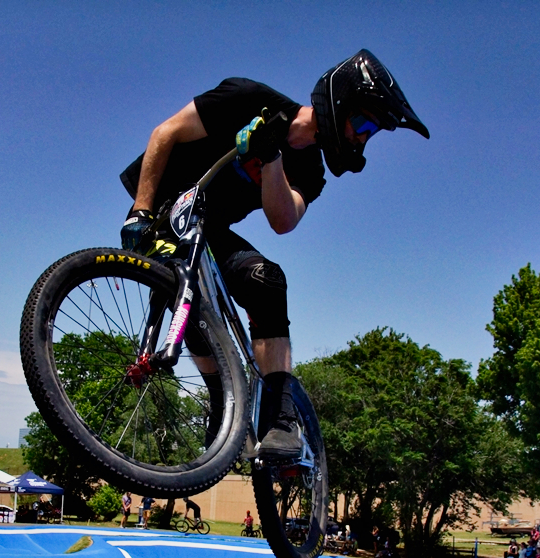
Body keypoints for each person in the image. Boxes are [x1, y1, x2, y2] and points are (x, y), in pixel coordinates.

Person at [120, 49, 428, 461]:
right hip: (162, 210)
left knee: (266, 280)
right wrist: (140, 211)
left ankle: (279, 419)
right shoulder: (246, 98)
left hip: (210, 231)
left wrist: (272, 158)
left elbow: (283, 220)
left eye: (370, 133)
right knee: (186, 288)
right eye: (365, 124)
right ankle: (219, 401)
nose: (361, 138)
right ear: (340, 103)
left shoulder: (311, 171)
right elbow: (165, 134)